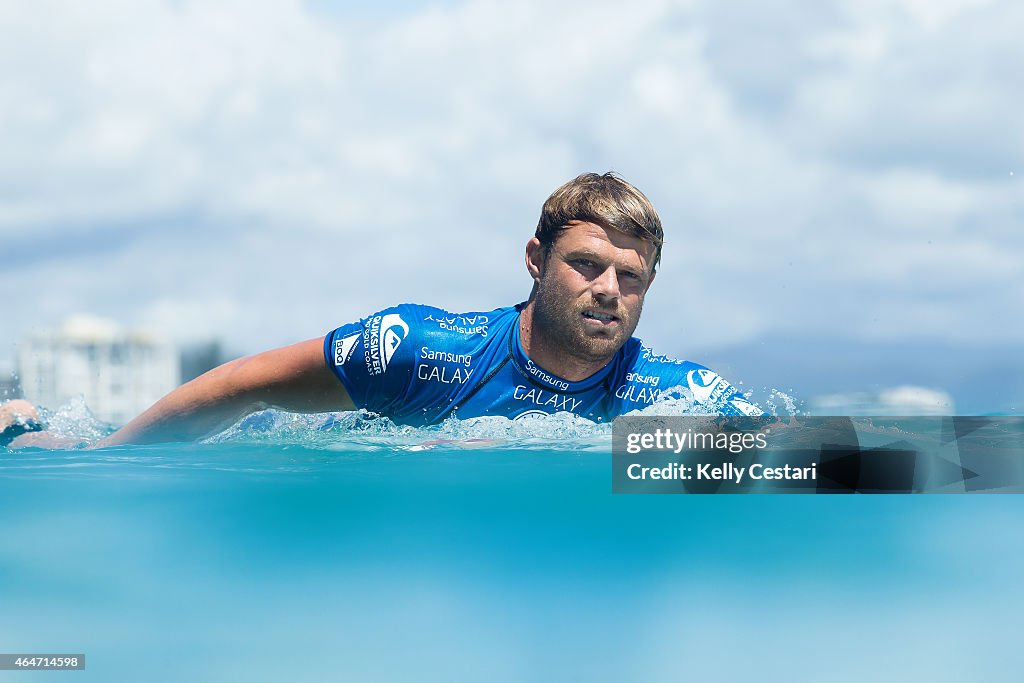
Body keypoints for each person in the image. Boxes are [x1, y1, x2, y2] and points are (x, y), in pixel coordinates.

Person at [3, 172, 761, 449]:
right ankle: (39, 433)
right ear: (535, 260)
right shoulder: (420, 346)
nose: (608, 290)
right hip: (292, 444)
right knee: (67, 454)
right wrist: (108, 462)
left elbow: (823, 458)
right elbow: (247, 383)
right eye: (587, 264)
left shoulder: (671, 396)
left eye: (630, 277)